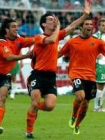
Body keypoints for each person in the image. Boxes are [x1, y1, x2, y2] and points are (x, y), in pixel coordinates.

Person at [25, 0, 91, 138]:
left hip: (50, 77)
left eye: (54, 19)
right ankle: (29, 132)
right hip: (37, 75)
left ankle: (34, 109)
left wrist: (85, 16)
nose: (53, 21)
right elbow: (50, 40)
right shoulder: (39, 37)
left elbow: (72, 26)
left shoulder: (57, 35)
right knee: (35, 102)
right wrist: (59, 27)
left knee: (49, 106)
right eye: (50, 20)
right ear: (43, 24)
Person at [59, 17, 105, 135]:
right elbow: (59, 54)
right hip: (76, 73)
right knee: (80, 96)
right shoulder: (72, 42)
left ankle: (77, 124)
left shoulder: (98, 42)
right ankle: (73, 116)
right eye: (86, 24)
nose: (89, 26)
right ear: (81, 27)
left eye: (91, 24)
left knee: (85, 104)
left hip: (90, 76)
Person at [93, 18, 105, 112]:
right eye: (103, 25)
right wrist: (96, 55)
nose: (104, 27)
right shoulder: (95, 36)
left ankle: (99, 106)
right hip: (100, 64)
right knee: (100, 85)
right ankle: (97, 107)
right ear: (99, 26)